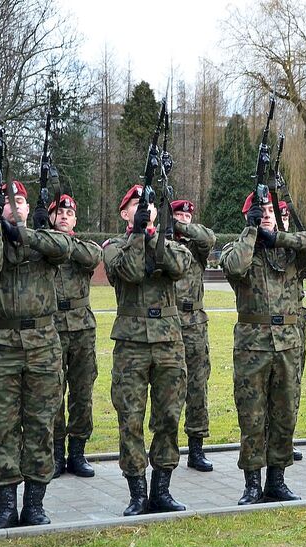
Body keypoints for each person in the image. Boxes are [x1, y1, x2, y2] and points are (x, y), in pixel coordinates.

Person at [0, 180, 72, 529]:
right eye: (8, 202)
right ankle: (5, 506)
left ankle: (35, 505)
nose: (16, 206)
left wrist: (24, 234)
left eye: (20, 201)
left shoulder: (44, 240)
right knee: (2, 427)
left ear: (28, 208)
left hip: (42, 346)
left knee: (41, 425)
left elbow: (64, 248)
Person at [221, 189, 306, 504]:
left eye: (269, 210)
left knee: (284, 415)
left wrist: (280, 238)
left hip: (288, 345)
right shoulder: (238, 249)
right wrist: (252, 232)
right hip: (253, 345)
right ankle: (252, 484)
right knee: (252, 416)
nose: (266, 214)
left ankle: (276, 481)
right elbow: (234, 267)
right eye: (260, 211)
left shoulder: (289, 252)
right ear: (249, 216)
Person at [103, 185, 192, 516]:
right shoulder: (113, 247)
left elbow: (178, 267)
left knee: (169, 417)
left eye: (149, 205)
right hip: (131, 344)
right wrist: (138, 235)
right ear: (125, 213)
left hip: (169, 343)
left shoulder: (170, 245)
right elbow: (130, 271)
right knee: (131, 419)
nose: (145, 209)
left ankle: (162, 490)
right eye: (137, 206)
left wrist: (152, 233)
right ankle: (138, 492)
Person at [49, 194, 101, 479]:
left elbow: (92, 258)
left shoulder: (84, 247)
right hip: (52, 327)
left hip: (82, 328)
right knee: (53, 393)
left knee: (82, 392)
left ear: (76, 220)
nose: (64, 216)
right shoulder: (43, 247)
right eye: (59, 212)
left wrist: (62, 240)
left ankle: (77, 452)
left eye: (69, 213)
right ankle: (57, 452)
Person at [170, 199, 216, 473]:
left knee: (198, 386)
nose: (184, 219)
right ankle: (168, 447)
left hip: (195, 322)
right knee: (170, 388)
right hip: (170, 321)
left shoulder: (196, 247)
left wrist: (182, 227)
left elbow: (208, 237)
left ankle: (196, 448)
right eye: (178, 214)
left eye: (187, 215)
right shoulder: (163, 244)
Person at [288, 200, 306, 462]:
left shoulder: (293, 252)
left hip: (295, 326)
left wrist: (285, 237)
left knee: (292, 385)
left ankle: (286, 437)